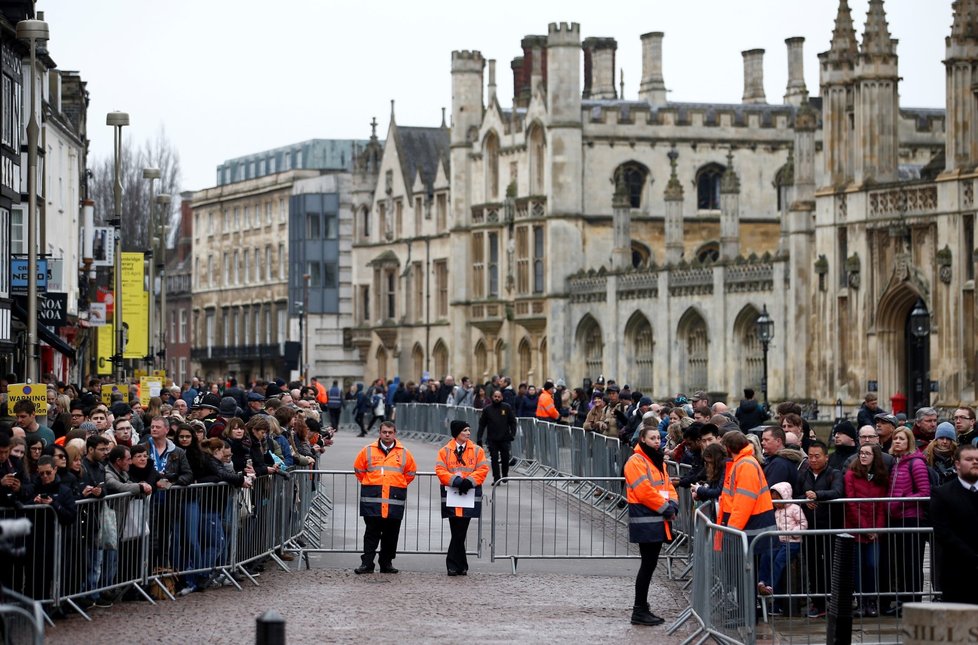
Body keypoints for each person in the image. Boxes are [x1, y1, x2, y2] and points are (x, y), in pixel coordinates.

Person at [623, 424, 678, 626]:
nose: (657, 441)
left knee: (650, 564)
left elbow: (668, 485)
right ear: (643, 439)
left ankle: (642, 608)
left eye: (658, 438)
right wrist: (667, 508)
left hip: (657, 517)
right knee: (647, 565)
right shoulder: (635, 461)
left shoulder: (657, 461)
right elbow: (643, 491)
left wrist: (673, 504)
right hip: (646, 517)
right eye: (653, 438)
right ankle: (639, 609)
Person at [352, 421, 416, 574]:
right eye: (384, 432)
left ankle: (386, 563)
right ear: (379, 433)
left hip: (394, 500)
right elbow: (359, 470)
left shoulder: (404, 453)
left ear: (395, 433)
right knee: (371, 533)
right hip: (373, 500)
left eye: (390, 432)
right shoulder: (367, 450)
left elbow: (410, 473)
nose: (387, 435)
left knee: (391, 534)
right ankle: (367, 563)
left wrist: (396, 483)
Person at [434, 420, 489, 575]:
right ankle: (459, 565)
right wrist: (456, 481)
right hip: (452, 494)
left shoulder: (477, 450)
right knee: (456, 530)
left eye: (468, 430)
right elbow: (440, 469)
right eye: (465, 430)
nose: (468, 433)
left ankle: (455, 564)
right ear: (457, 432)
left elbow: (483, 468)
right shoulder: (445, 451)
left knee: (461, 531)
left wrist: (469, 481)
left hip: (468, 494)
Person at [886, 426, 930, 615]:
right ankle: (904, 601)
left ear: (909, 442)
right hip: (897, 518)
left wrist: (901, 501)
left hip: (912, 518)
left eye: (902, 439)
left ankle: (913, 603)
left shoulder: (916, 463)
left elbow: (924, 492)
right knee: (902, 563)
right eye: (895, 438)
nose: (897, 442)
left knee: (912, 563)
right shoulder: (898, 463)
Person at [929, 444, 978, 605]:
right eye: (969, 459)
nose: (975, 463)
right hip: (957, 574)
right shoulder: (942, 494)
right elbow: (943, 532)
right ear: (957, 464)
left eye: (977, 459)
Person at [844, 443, 889, 617]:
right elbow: (851, 504)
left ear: (874, 456)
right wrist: (865, 528)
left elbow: (881, 505)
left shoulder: (880, 477)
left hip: (873, 530)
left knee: (872, 565)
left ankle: (871, 601)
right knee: (858, 567)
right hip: (856, 529)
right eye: (861, 453)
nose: (863, 456)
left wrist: (876, 528)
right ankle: (861, 602)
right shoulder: (851, 474)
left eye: (867, 453)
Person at [756, 481, 807, 613]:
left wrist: (793, 533)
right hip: (778, 542)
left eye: (777, 499)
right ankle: (762, 582)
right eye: (772, 500)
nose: (775, 502)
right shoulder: (775, 511)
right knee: (766, 555)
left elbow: (803, 523)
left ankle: (770, 585)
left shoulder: (795, 508)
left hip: (792, 541)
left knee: (779, 561)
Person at [477, 389, 517, 483]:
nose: (497, 398)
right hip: (492, 439)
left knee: (505, 458)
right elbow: (482, 424)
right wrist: (479, 438)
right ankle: (496, 477)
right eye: (495, 396)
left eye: (499, 397)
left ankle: (505, 474)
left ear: (502, 398)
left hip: (504, 438)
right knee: (494, 459)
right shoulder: (487, 409)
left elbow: (512, 421)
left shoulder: (506, 407)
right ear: (492, 397)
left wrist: (512, 434)